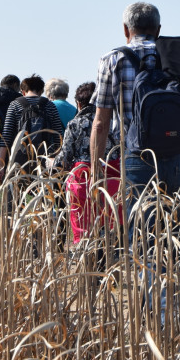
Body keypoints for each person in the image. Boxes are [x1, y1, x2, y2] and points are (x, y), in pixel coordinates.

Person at [89, 2, 180, 321]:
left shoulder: (112, 59)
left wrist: (97, 172)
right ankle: (176, 306)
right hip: (178, 158)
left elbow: (100, 123)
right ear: (158, 28)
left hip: (136, 156)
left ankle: (154, 309)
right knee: (178, 231)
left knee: (142, 233)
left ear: (126, 30)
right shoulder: (179, 54)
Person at [55, 82, 120, 247]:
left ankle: (86, 266)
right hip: (113, 178)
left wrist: (50, 163)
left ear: (78, 103)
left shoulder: (75, 124)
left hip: (82, 180)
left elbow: (64, 159)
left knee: (83, 233)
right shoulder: (114, 123)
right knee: (112, 232)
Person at [0, 74, 64, 168]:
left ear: (23, 91)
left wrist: (0, 164)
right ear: (41, 91)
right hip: (45, 158)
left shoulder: (15, 105)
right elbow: (58, 137)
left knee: (20, 182)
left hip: (20, 160)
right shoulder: (50, 106)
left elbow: (6, 136)